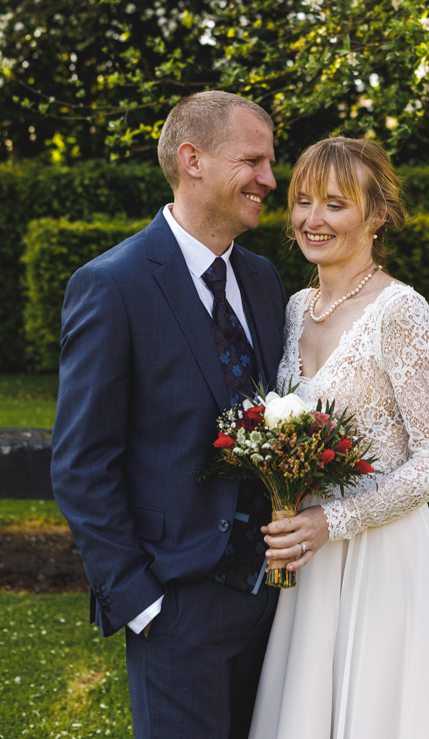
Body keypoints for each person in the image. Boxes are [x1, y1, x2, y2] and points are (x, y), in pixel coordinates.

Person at [51, 91, 286, 739]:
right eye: (254, 160)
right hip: (176, 604)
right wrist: (141, 603)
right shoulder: (113, 284)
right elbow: (80, 462)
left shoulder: (265, 280)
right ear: (193, 160)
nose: (270, 179)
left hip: (275, 604)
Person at [251, 137, 429, 739]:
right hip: (309, 558)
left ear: (378, 215)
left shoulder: (403, 313)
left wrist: (339, 520)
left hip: (380, 557)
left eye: (335, 204)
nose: (311, 219)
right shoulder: (297, 306)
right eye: (302, 201)